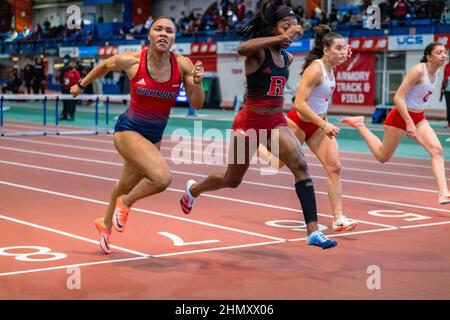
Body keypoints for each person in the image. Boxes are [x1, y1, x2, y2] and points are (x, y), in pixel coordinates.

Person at [180, 0, 337, 250]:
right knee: (232, 180)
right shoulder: (259, 52)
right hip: (249, 123)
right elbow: (242, 47)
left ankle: (313, 231)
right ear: (273, 29)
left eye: (293, 26)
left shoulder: (285, 57)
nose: (290, 30)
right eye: (285, 26)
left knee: (300, 165)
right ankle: (194, 190)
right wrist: (276, 39)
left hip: (275, 120)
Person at [70, 17, 205, 254]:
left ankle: (105, 223)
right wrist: (81, 85)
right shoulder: (132, 60)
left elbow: (198, 103)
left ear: (175, 38)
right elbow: (104, 65)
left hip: (154, 136)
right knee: (162, 178)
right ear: (149, 35)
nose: (164, 34)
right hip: (128, 130)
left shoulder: (183, 65)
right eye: (158, 29)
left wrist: (197, 83)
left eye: (169, 31)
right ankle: (127, 203)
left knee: (126, 183)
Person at [258, 25, 358, 232]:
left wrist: (322, 122)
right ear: (326, 50)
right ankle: (255, 145)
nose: (342, 52)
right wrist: (323, 123)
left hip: (319, 126)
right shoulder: (315, 69)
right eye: (338, 48)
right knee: (277, 164)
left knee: (335, 168)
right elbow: (299, 103)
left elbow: (324, 88)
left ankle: (338, 217)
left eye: (344, 48)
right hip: (300, 122)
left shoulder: (330, 68)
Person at [340, 42, 450, 205]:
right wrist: (409, 123)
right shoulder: (419, 71)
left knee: (437, 150)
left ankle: (443, 193)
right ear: (428, 56)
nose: (444, 55)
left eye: (444, 52)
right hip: (400, 116)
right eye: (439, 53)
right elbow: (398, 97)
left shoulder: (438, 70)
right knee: (382, 156)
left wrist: (415, 121)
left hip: (419, 117)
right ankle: (359, 125)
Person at [440, 58, 450, 128]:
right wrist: (442, 87)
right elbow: (444, 77)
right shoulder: (447, 66)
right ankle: (449, 123)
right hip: (447, 89)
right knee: (448, 107)